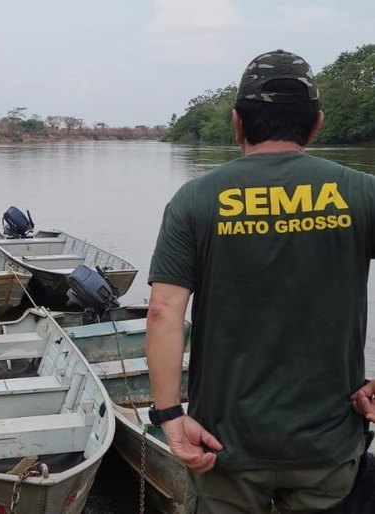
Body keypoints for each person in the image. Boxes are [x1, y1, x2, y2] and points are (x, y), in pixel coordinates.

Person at [146, 49, 375, 514]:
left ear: (237, 122)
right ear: (316, 124)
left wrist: (170, 416)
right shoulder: (361, 192)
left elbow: (163, 311)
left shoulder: (195, 199)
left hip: (224, 445)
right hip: (328, 445)